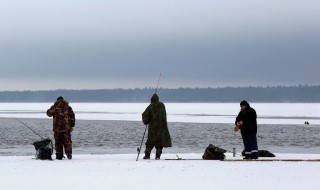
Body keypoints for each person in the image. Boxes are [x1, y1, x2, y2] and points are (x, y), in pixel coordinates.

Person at [142, 93, 172, 160]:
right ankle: (158, 155)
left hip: (153, 128)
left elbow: (144, 115)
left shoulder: (151, 106)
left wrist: (146, 121)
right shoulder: (162, 105)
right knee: (159, 142)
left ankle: (147, 155)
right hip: (162, 128)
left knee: (150, 142)